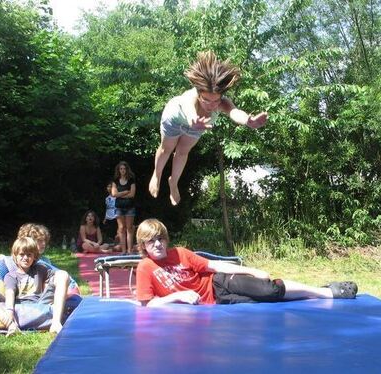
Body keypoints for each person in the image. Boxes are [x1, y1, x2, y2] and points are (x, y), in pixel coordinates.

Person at [134, 219, 358, 306]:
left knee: (267, 289)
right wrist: (177, 295)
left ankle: (327, 292)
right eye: (151, 241)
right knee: (258, 303)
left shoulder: (180, 253)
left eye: (161, 238)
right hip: (216, 303)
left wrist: (253, 270)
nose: (157, 244)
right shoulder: (145, 267)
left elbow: (214, 266)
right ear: (143, 245)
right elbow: (147, 303)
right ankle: (317, 293)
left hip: (218, 284)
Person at [148, 51, 268, 205]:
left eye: (216, 101)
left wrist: (248, 121)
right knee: (167, 149)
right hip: (175, 119)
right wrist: (193, 119)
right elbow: (188, 108)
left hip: (199, 124)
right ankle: (156, 175)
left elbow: (234, 112)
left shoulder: (222, 102)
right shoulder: (190, 97)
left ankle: (173, 182)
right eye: (206, 100)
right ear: (199, 94)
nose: (211, 105)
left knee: (183, 152)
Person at [0, 237, 70, 335]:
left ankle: (55, 323)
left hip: (40, 302)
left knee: (63, 274)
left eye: (29, 255)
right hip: (18, 306)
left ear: (34, 257)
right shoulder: (11, 275)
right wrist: (9, 310)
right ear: (15, 256)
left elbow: (59, 278)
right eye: (21, 254)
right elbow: (10, 292)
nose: (25, 258)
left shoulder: (40, 268)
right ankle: (11, 325)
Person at [112, 161, 136, 254]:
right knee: (121, 228)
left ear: (127, 170)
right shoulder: (115, 181)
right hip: (119, 207)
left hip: (130, 207)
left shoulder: (131, 180)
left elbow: (132, 194)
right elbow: (114, 194)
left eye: (124, 169)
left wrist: (120, 195)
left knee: (129, 228)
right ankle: (123, 250)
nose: (122, 170)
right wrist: (125, 192)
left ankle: (130, 250)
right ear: (118, 170)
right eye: (121, 169)